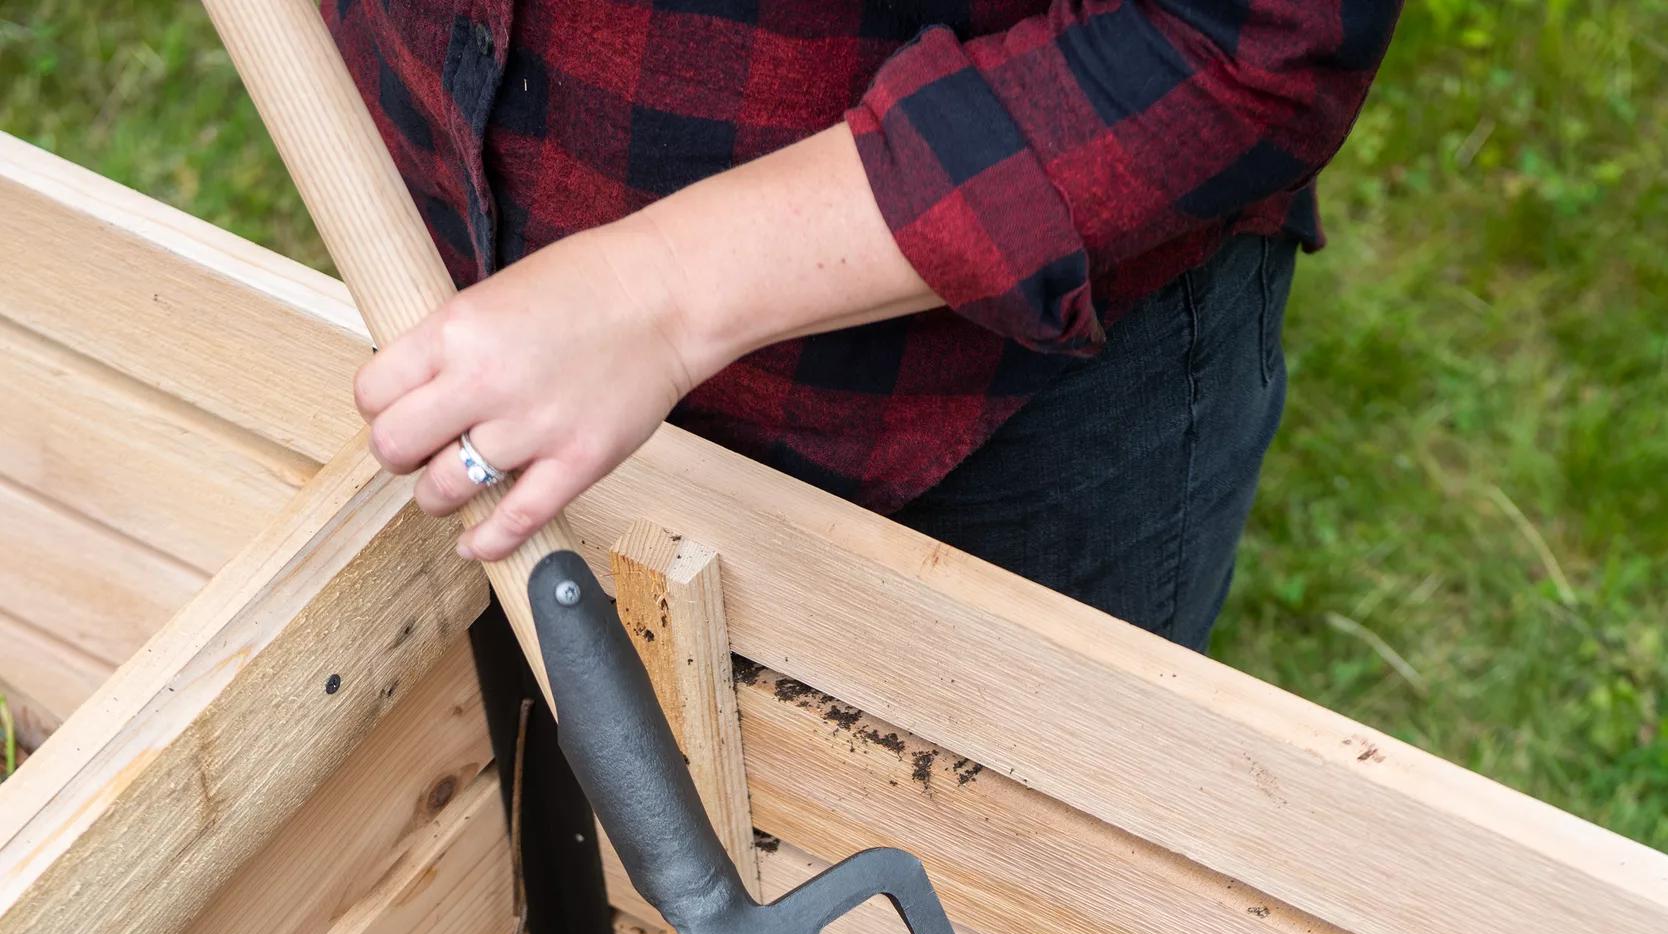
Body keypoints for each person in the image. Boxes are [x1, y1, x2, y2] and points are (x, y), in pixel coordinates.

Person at [331, 0, 1401, 650]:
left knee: (1022, 932)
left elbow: (1251, 41)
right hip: (457, 256)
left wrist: (657, 291)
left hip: (979, 405)